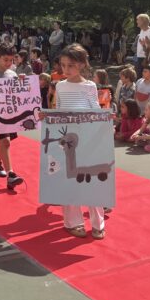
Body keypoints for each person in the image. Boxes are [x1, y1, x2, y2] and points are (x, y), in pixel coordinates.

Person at [46, 44, 107, 239]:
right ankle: (73, 222)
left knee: (92, 180)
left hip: (88, 138)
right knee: (70, 181)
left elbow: (95, 110)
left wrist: (104, 118)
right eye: (63, 65)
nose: (65, 69)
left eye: (70, 65)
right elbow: (59, 110)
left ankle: (98, 223)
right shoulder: (60, 86)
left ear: (81, 64)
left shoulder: (90, 86)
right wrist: (48, 118)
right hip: (67, 139)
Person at [0, 43, 25, 189]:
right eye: (5, 60)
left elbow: (18, 94)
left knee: (4, 141)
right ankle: (11, 175)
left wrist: (22, 82)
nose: (9, 63)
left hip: (11, 113)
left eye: (11, 60)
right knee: (6, 142)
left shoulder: (13, 74)